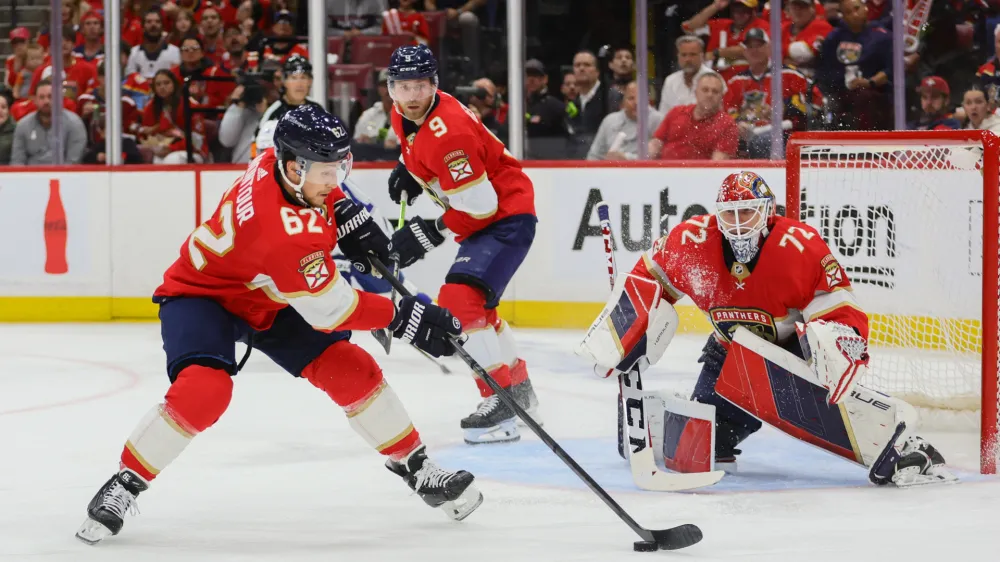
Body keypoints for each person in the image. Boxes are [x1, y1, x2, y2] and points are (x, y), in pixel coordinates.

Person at [75, 105, 482, 546]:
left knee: (352, 368)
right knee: (204, 391)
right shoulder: (284, 233)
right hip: (203, 295)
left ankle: (416, 467)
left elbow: (319, 233)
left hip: (269, 293)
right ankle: (126, 482)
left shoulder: (274, 161)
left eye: (339, 168)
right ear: (294, 167)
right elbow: (334, 308)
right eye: (326, 173)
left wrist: (347, 212)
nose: (335, 181)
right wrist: (408, 316)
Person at [576, 171, 955, 487]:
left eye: (748, 212)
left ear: (768, 212)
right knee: (701, 447)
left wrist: (840, 344)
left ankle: (904, 444)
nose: (739, 224)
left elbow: (837, 303)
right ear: (717, 214)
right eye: (730, 214)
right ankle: (715, 422)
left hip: (788, 355)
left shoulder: (797, 246)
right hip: (727, 353)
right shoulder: (692, 242)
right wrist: (621, 335)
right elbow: (648, 282)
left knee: (827, 396)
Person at [384, 44, 541, 445]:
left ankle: (501, 402)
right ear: (391, 90)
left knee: (460, 302)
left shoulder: (448, 131)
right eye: (404, 88)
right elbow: (423, 149)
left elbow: (482, 205)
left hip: (504, 217)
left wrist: (427, 232)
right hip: (495, 216)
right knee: (479, 309)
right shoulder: (407, 115)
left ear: (435, 84)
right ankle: (519, 392)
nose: (413, 96)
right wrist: (407, 168)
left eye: (420, 86)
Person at [649, 72, 738, 160]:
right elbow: (656, 143)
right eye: (705, 90)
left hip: (702, 173)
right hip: (664, 171)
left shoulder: (727, 124)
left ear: (721, 97)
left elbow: (718, 164)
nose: (709, 95)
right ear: (695, 93)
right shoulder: (676, 112)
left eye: (715, 91)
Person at [252, 54, 322, 157]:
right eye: (293, 78)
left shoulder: (318, 110)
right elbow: (257, 149)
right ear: (284, 82)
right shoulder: (273, 113)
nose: (299, 84)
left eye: (303, 77)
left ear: (310, 81)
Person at [9, 78, 88, 165]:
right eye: (41, 97)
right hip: (30, 176)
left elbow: (73, 162)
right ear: (34, 100)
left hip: (63, 176)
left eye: (50, 97)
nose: (46, 101)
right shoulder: (23, 125)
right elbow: (17, 162)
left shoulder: (75, 124)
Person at [587, 81, 663, 161]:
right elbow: (594, 156)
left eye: (641, 98)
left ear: (648, 100)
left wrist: (626, 158)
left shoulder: (658, 120)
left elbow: (659, 158)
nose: (636, 103)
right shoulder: (609, 121)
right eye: (631, 98)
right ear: (623, 101)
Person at [659, 35, 710, 115]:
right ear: (678, 56)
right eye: (684, 55)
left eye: (692, 54)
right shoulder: (670, 81)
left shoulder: (714, 79)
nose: (688, 59)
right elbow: (663, 116)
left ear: (702, 56)